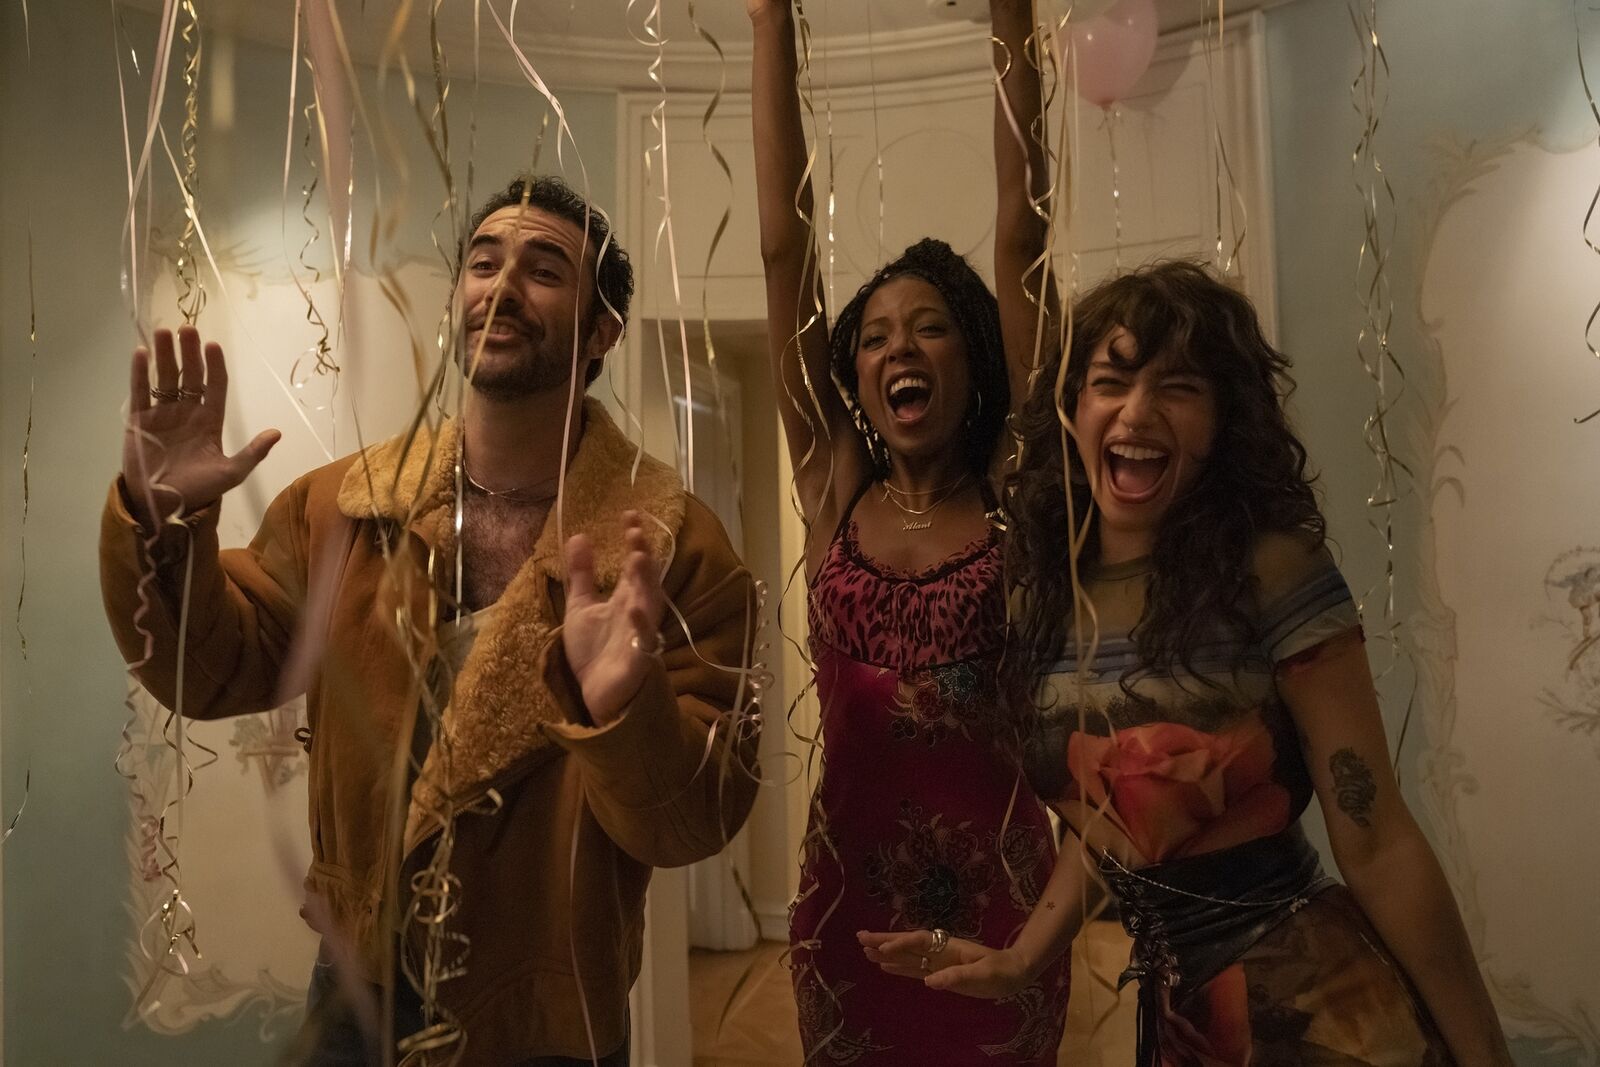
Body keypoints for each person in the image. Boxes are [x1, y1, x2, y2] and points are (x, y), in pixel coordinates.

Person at [99, 175, 761, 1067]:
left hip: (547, 1019)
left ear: (603, 330)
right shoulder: (343, 506)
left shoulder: (673, 544)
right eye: (483, 263)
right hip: (354, 993)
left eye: (544, 270)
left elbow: (695, 821)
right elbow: (208, 668)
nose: (502, 286)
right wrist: (162, 527)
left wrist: (625, 713)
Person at [863, 260, 1514, 1065]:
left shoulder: (1272, 569)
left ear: (1221, 419)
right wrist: (1021, 959)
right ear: (1073, 409)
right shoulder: (1042, 593)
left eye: (1178, 387)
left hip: (1325, 1010)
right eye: (1111, 382)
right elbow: (1112, 818)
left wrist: (1486, 1054)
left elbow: (1378, 840)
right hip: (1181, 1020)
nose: (1137, 411)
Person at [749, 0, 1072, 1061]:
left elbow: (1022, 232)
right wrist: (769, 22)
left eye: (931, 327)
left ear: (974, 358)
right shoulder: (832, 479)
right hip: (847, 911)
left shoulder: (1017, 480)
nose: (902, 347)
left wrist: (1010, 16)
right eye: (878, 334)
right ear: (853, 372)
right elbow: (783, 249)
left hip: (1004, 913)